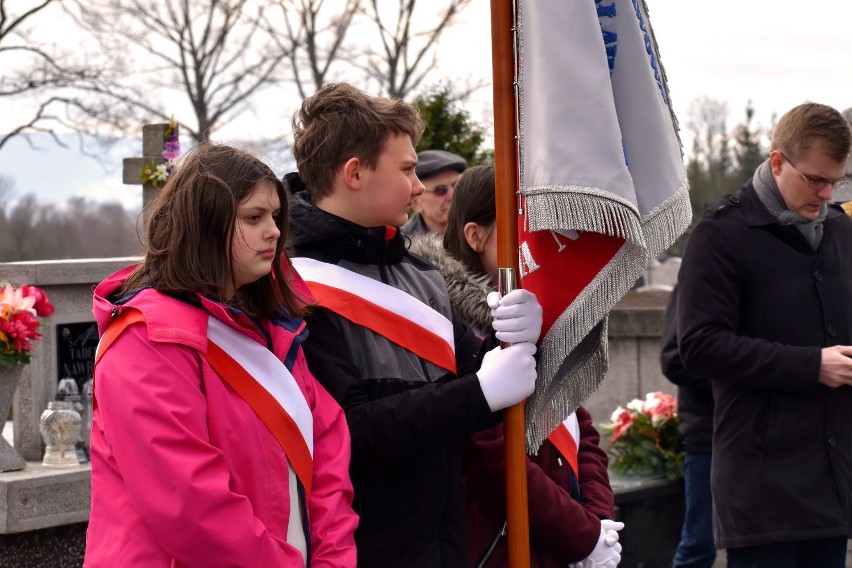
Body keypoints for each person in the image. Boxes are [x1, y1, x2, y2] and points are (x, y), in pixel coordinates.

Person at [284, 83, 540, 567]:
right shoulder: (295, 287)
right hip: (361, 547)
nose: (419, 186)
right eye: (406, 170)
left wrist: (524, 336)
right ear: (355, 173)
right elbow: (347, 433)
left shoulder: (422, 274)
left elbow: (484, 376)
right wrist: (479, 393)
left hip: (444, 539)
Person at [85, 144, 358, 567]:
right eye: (253, 218)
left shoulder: (273, 330)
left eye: (274, 217)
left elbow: (327, 457)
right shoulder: (145, 340)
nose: (274, 232)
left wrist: (334, 561)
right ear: (205, 225)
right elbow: (189, 505)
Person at [409, 164, 623, 568]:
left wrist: (599, 522)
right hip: (499, 545)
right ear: (475, 235)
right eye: (524, 231)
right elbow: (490, 456)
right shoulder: (452, 327)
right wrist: (583, 536)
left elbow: (579, 425)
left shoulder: (536, 315)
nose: (537, 246)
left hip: (562, 541)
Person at [677, 102, 852, 568]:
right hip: (761, 487)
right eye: (815, 179)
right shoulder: (720, 233)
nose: (827, 193)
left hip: (832, 481)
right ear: (777, 162)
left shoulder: (841, 229)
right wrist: (812, 365)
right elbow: (697, 346)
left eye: (836, 181)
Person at [661, 285, 716, 568]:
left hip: (764, 435)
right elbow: (674, 358)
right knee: (699, 543)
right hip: (709, 436)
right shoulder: (697, 276)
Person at [401, 148, 467, 235]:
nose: (453, 195)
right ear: (415, 204)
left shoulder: (483, 230)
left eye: (457, 185)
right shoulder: (401, 243)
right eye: (440, 190)